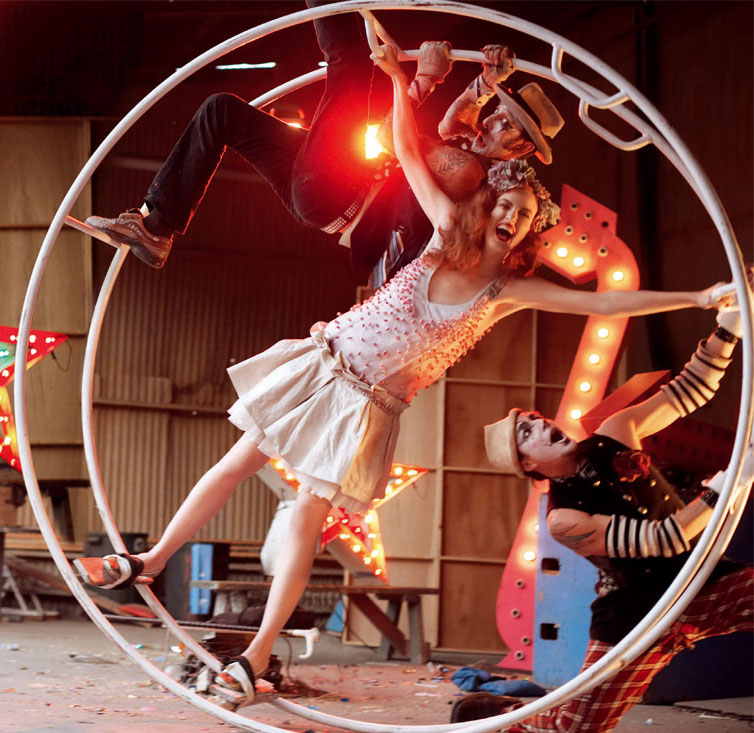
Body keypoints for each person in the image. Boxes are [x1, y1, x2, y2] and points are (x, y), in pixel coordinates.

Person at [74, 44, 731, 709]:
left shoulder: (506, 291)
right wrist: (396, 79)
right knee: (235, 461)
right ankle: (151, 559)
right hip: (324, 364)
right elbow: (409, 152)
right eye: (506, 205)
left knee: (305, 517)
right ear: (488, 205)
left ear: (532, 229)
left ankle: (257, 654)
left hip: (365, 404)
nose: (512, 217)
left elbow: (606, 304)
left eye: (525, 215)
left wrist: (699, 297)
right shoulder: (444, 231)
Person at [82, 0, 563, 282]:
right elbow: (456, 125)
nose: (490, 122)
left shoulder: (471, 175)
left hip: (339, 191)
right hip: (324, 192)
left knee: (350, 65)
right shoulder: (474, 159)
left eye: (504, 124)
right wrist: (486, 82)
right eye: (498, 112)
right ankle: (156, 227)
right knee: (221, 112)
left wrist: (422, 81)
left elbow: (396, 139)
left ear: (520, 149)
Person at [457, 289, 754, 732]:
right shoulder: (563, 519)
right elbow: (663, 539)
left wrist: (729, 328)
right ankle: (501, 721)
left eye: (536, 418)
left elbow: (688, 391)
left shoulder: (616, 432)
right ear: (528, 464)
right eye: (526, 433)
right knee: (577, 727)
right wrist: (729, 482)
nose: (540, 423)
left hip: (703, 582)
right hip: (639, 615)